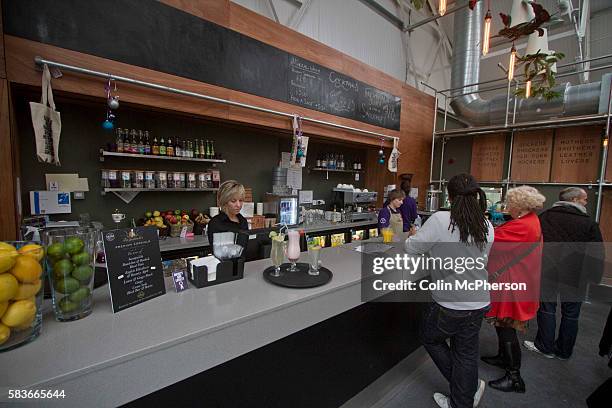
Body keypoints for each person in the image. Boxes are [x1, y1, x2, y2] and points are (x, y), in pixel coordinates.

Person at [405, 173, 494, 408]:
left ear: (449, 195)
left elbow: (413, 248)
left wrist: (416, 238)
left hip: (449, 301)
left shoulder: (440, 219)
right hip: (478, 300)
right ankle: (465, 394)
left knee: (430, 339)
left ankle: (465, 391)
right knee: (466, 352)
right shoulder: (486, 224)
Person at [524, 187, 604, 360]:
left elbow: (533, 245)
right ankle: (564, 351)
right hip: (577, 276)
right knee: (571, 314)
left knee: (547, 309)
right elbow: (596, 253)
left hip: (548, 272)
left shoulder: (545, 217)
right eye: (584, 199)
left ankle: (544, 346)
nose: (586, 202)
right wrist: (594, 277)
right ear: (574, 200)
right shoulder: (589, 223)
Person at [482, 186, 545, 394]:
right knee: (502, 325)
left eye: (510, 202)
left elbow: (491, 242)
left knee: (507, 328)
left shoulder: (522, 226)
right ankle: (502, 357)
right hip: (519, 282)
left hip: (512, 287)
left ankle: (514, 377)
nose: (506, 205)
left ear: (519, 205)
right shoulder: (531, 221)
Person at [207, 180, 248, 253]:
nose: (238, 205)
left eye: (241, 200)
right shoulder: (215, 223)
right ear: (224, 201)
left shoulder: (243, 221)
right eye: (233, 201)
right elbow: (218, 253)